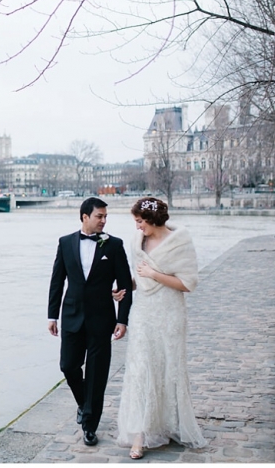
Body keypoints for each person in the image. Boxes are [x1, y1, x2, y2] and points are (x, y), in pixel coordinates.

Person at [115, 197, 207, 459]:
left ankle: (167, 424)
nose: (137, 227)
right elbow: (140, 276)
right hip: (143, 313)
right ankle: (139, 436)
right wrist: (127, 287)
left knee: (168, 369)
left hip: (169, 313)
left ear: (153, 220)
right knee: (141, 370)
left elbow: (188, 283)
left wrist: (155, 275)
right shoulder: (138, 242)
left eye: (140, 221)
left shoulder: (180, 242)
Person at [48, 197, 133, 447]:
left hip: (101, 319)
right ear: (85, 216)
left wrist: (122, 319)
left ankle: (89, 426)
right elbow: (57, 281)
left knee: (97, 375)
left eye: (106, 217)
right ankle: (84, 404)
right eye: (99, 216)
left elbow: (125, 285)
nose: (104, 221)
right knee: (68, 366)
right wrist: (52, 315)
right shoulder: (65, 243)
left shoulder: (114, 245)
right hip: (71, 317)